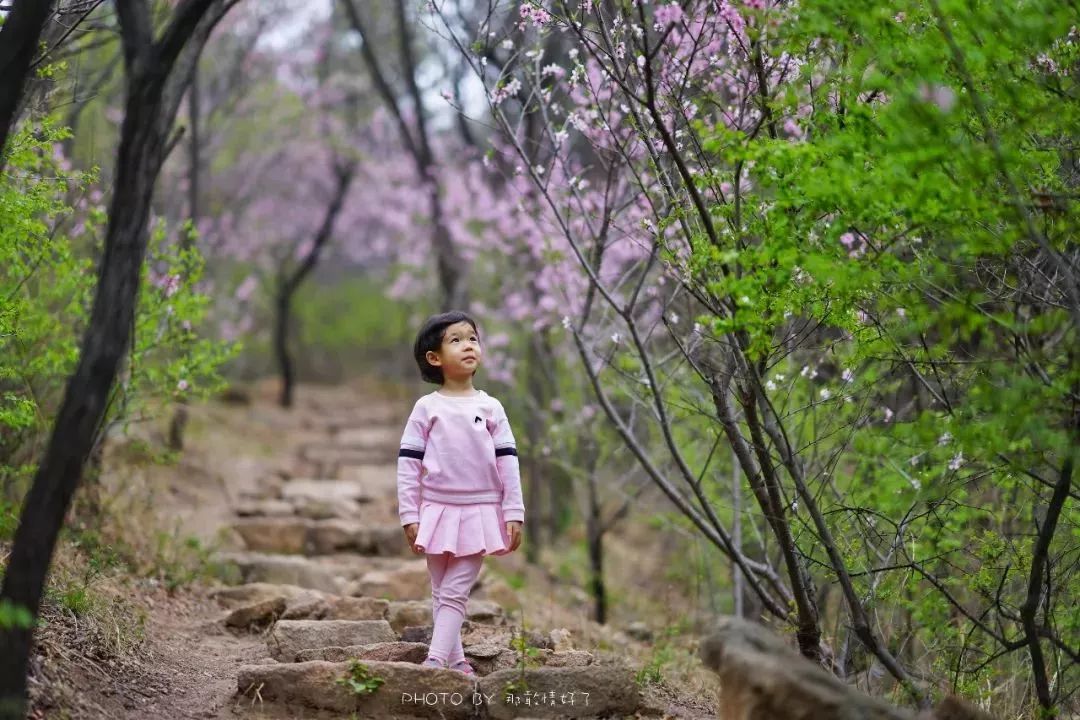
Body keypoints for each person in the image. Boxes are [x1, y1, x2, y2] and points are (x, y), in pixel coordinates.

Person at [397, 310, 525, 676]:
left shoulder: (491, 407)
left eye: (472, 338)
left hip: (480, 510)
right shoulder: (426, 408)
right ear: (434, 358)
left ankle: (435, 661)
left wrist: (512, 511)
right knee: (442, 592)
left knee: (454, 590)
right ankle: (456, 660)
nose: (468, 345)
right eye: (456, 340)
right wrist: (410, 514)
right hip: (435, 509)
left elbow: (508, 463)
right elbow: (407, 464)